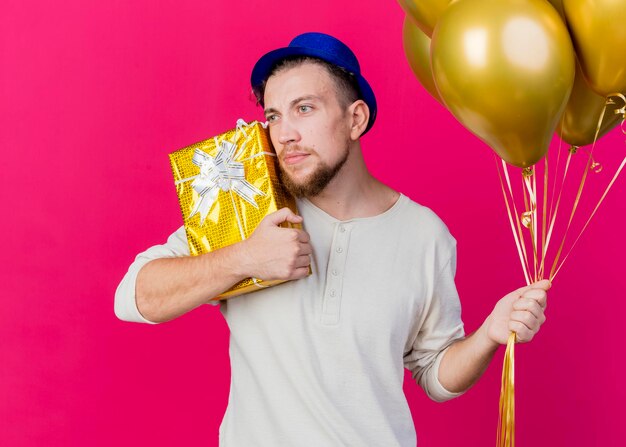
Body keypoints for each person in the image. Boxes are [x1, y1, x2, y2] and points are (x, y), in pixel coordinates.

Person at [115, 32, 549, 446]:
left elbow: (435, 373)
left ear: (355, 119)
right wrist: (244, 258)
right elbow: (132, 299)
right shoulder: (249, 209)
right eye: (272, 115)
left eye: (304, 108)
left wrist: (489, 334)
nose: (284, 133)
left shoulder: (425, 234)